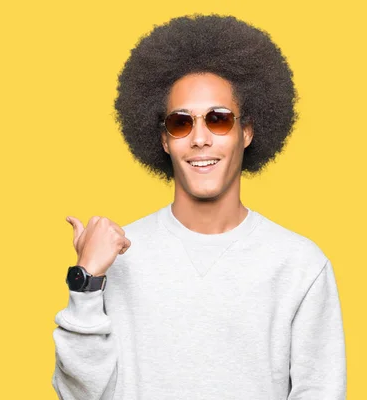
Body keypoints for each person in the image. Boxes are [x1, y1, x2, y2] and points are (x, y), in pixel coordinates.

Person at [51, 13, 347, 400]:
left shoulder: (300, 265)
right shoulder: (115, 256)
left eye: (219, 120)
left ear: (247, 131)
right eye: (180, 123)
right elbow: (78, 395)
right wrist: (87, 280)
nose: (200, 138)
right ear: (163, 140)